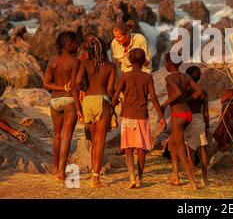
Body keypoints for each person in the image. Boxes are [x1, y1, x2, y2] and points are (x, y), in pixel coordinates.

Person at [111, 48, 165, 189]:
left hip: (127, 115)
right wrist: (161, 115)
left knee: (128, 148)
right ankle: (140, 178)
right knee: (141, 149)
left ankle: (131, 177)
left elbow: (115, 96)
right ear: (143, 62)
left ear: (129, 60)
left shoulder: (124, 76)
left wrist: (111, 110)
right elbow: (153, 97)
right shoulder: (147, 77)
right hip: (142, 116)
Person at [75, 37, 117, 188]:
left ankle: (94, 174)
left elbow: (78, 82)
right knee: (100, 142)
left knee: (93, 141)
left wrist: (85, 89)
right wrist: (114, 101)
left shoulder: (85, 64)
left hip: (87, 102)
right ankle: (95, 179)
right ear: (105, 49)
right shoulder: (111, 66)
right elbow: (111, 89)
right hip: (102, 101)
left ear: (90, 51)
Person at [43, 31, 82, 181]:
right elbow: (74, 87)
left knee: (57, 135)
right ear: (70, 44)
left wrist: (60, 87)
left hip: (54, 101)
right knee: (67, 136)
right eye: (76, 43)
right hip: (69, 102)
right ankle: (61, 172)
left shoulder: (53, 61)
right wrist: (79, 108)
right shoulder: (75, 62)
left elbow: (46, 83)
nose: (77, 46)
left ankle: (54, 167)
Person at [161, 52, 203, 190]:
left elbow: (178, 93)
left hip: (178, 115)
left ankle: (192, 183)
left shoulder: (169, 78)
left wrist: (165, 103)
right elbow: (198, 91)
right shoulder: (186, 76)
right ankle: (175, 176)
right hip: (188, 114)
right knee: (172, 143)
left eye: (165, 63)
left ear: (168, 64)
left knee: (180, 149)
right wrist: (188, 100)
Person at [184, 66, 210, 187]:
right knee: (202, 150)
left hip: (190, 120)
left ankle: (192, 179)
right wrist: (207, 126)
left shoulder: (186, 91)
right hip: (200, 120)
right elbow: (206, 112)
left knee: (190, 151)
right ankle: (205, 178)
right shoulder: (203, 92)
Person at [210, 89, 233, 168]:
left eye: (223, 96)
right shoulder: (230, 105)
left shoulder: (226, 105)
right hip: (226, 132)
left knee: (217, 148)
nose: (221, 97)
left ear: (227, 97)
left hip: (223, 133)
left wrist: (224, 134)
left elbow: (226, 121)